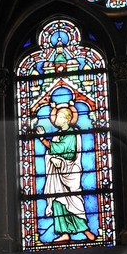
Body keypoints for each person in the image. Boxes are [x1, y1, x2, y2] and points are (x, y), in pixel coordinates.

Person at [35, 101, 97, 243]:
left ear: (67, 119)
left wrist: (43, 139)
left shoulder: (71, 133)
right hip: (57, 174)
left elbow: (62, 149)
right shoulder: (58, 134)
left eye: (59, 116)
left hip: (70, 171)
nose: (56, 119)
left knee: (74, 203)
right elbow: (53, 150)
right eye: (56, 116)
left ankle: (87, 232)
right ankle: (64, 234)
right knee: (58, 201)